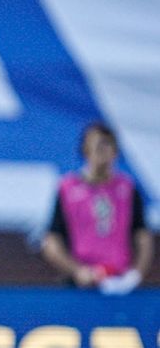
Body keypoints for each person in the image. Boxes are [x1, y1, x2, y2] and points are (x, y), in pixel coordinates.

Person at [41, 121, 152, 294]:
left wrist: (136, 274)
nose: (104, 152)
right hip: (81, 283)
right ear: (85, 150)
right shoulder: (68, 188)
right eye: (98, 146)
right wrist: (77, 270)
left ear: (116, 152)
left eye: (109, 146)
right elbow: (52, 241)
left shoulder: (127, 188)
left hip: (120, 282)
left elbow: (143, 236)